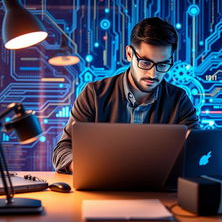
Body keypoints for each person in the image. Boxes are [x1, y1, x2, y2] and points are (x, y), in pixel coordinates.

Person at [53, 17, 199, 174]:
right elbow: (62, 150)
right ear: (130, 54)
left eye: (162, 65)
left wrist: (192, 150)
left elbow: (199, 150)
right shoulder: (94, 94)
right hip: (103, 190)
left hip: (159, 192)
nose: (153, 73)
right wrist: (86, 168)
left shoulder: (179, 100)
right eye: (145, 62)